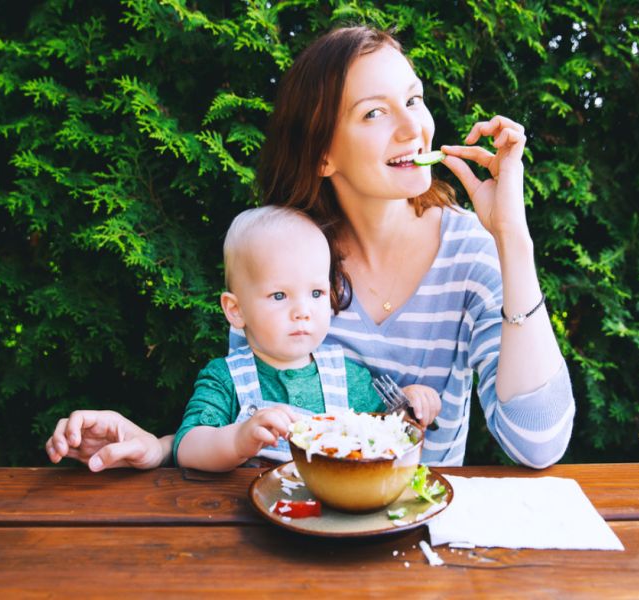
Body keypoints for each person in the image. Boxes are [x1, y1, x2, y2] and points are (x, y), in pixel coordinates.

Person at [46, 25, 574, 471]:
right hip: (289, 535)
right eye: (374, 113)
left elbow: (537, 444)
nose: (415, 127)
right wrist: (160, 447)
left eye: (413, 99)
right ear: (323, 155)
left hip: (413, 547)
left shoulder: (472, 252)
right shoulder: (282, 252)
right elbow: (246, 424)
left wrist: (512, 237)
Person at [46, 206, 439, 472]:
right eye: (280, 296)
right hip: (246, 521)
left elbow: (384, 432)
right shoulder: (226, 377)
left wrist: (412, 406)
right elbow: (188, 445)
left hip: (334, 516)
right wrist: (239, 438)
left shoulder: (347, 375)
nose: (303, 310)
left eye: (317, 293)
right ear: (236, 310)